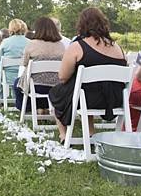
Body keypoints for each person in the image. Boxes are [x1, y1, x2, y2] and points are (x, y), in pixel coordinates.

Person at [50, 8, 127, 141]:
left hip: (88, 99)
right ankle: (90, 132)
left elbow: (62, 77)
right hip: (114, 99)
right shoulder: (118, 48)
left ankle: (64, 134)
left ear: (82, 25)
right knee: (87, 89)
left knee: (56, 92)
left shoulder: (77, 46)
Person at [15, 17, 65, 112]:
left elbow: (24, 63)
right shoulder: (61, 46)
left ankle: (33, 108)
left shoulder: (31, 44)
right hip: (56, 86)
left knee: (17, 84)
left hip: (36, 85)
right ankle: (44, 107)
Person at [0, 19, 29, 97]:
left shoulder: (6, 42)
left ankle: (0, 98)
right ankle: (16, 96)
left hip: (7, 75)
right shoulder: (29, 42)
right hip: (24, 75)